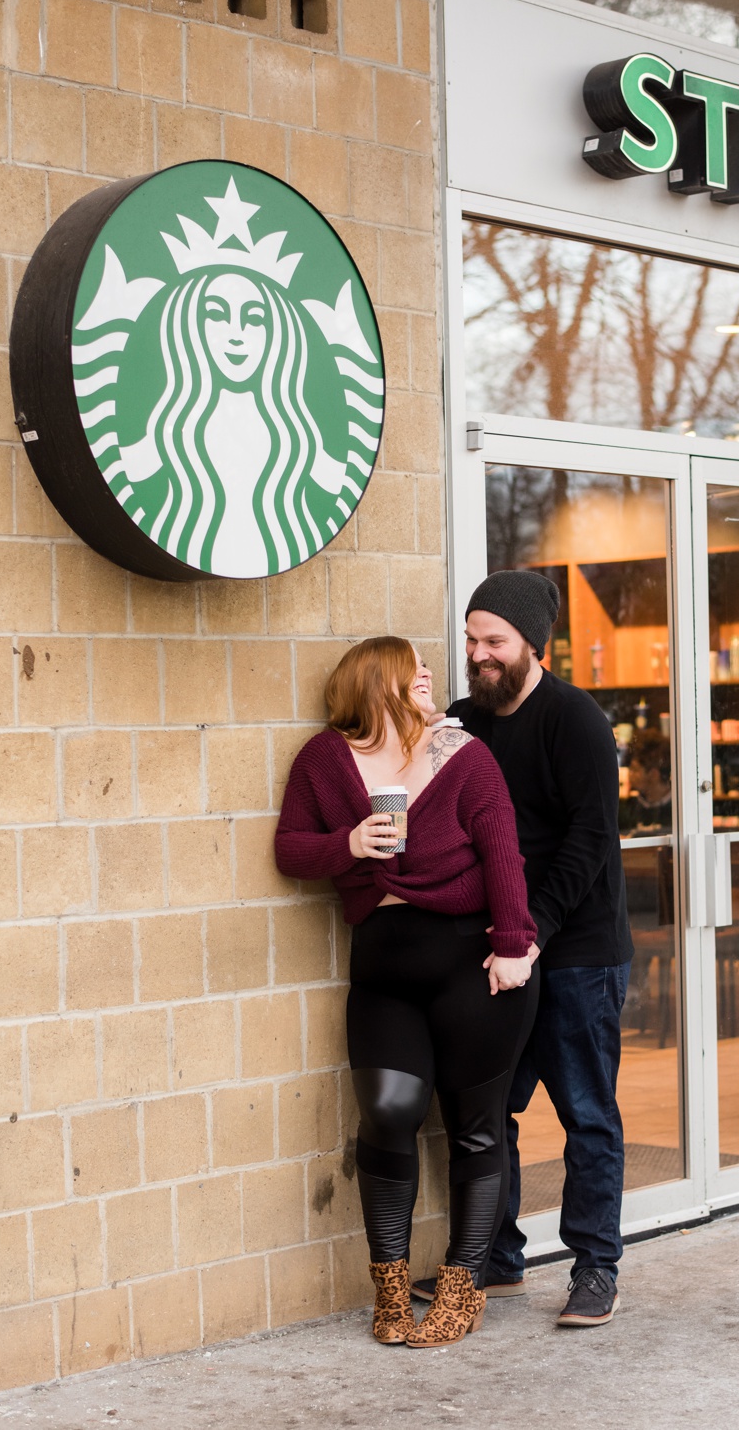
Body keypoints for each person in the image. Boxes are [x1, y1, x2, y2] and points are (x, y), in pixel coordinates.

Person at [275, 636, 538, 1348]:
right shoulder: (324, 761)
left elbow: (502, 853)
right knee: (389, 1113)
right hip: (384, 969)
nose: (428, 675)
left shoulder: (462, 755)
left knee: (477, 1128)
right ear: (372, 683)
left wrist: (514, 948)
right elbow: (290, 848)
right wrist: (350, 845)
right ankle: (389, 1289)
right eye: (411, 667)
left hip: (471, 964)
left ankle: (464, 1284)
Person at [437, 569, 630, 1329]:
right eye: (471, 640)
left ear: (531, 645)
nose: (479, 656)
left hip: (576, 945)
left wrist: (532, 935)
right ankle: (497, 1257)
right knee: (490, 1107)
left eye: (494, 642)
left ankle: (595, 1268)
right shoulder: (463, 721)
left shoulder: (576, 722)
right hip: (504, 945)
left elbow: (588, 846)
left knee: (586, 1112)